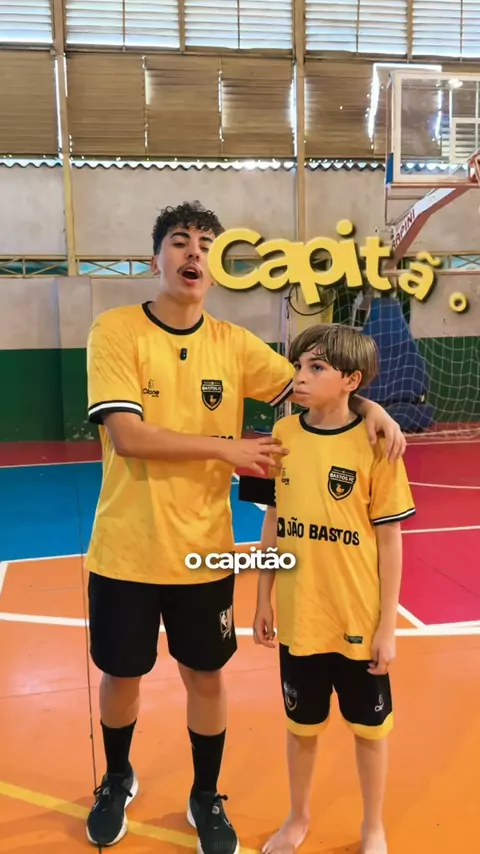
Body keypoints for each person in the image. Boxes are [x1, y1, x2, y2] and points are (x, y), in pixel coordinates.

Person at [84, 201, 406, 852]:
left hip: (204, 550)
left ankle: (206, 795)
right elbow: (128, 436)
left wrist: (371, 406)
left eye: (208, 245)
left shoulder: (233, 345)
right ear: (156, 258)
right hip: (125, 548)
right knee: (121, 675)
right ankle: (117, 778)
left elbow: (316, 387)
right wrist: (225, 449)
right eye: (181, 241)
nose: (195, 253)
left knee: (206, 677)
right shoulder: (116, 331)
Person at [243, 324, 416, 854]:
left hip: (357, 619)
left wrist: (387, 627)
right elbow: (272, 520)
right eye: (299, 365)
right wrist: (262, 598)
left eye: (316, 367)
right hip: (300, 617)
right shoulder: (282, 435)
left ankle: (373, 827)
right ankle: (298, 817)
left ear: (351, 380)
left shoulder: (377, 443)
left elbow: (390, 541)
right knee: (302, 728)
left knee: (370, 732)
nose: (300, 376)